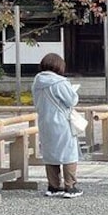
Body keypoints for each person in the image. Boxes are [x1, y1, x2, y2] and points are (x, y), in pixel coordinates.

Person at [32, 53, 83, 198]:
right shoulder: (60, 82)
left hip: (44, 122)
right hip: (61, 122)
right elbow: (71, 100)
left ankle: (53, 186)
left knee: (50, 153)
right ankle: (70, 186)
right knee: (68, 153)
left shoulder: (37, 81)